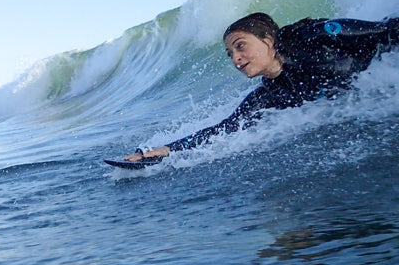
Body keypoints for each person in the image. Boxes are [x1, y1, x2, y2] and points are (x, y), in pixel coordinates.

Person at [124, 12, 399, 162]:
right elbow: (224, 130)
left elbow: (382, 31)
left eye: (240, 46)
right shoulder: (269, 95)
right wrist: (164, 150)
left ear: (267, 41)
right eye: (230, 54)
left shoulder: (312, 36)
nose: (235, 59)